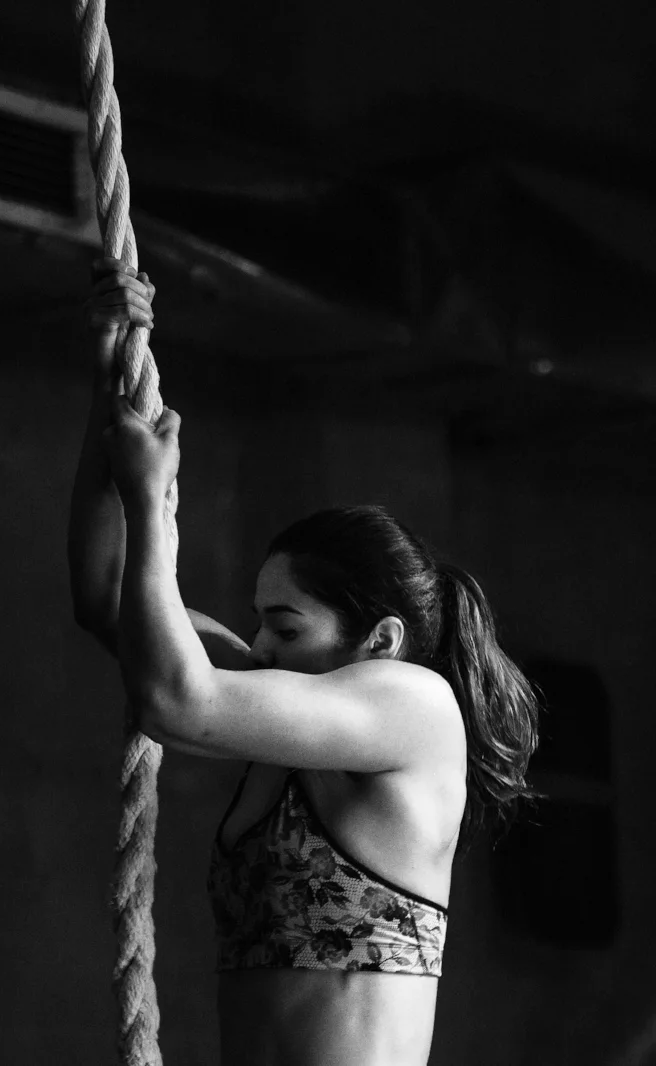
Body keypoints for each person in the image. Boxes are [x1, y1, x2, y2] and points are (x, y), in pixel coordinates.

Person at [68, 259, 539, 1066]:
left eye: (284, 626)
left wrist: (151, 502)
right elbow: (108, 599)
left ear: (380, 641)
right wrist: (108, 380)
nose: (258, 647)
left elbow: (174, 700)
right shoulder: (278, 710)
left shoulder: (417, 709)